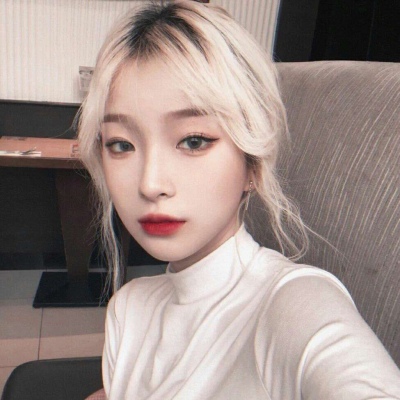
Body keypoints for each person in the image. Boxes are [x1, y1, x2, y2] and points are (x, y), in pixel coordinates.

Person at [78, 1, 400, 399]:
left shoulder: (293, 303)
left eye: (193, 141)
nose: (150, 184)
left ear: (252, 165)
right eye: (121, 144)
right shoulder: (128, 307)